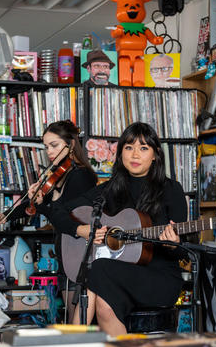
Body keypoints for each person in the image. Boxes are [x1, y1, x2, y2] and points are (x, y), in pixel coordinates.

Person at [51, 122, 187, 335]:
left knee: (98, 268)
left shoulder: (171, 190)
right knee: (104, 307)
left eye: (143, 148)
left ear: (155, 155)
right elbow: (57, 211)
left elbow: (185, 251)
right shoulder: (108, 190)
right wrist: (82, 230)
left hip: (159, 278)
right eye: (129, 147)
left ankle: (72, 342)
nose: (135, 155)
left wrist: (174, 245)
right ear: (121, 152)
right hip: (116, 273)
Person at [0, 120, 97, 270]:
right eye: (46, 147)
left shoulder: (81, 176)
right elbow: (32, 206)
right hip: (65, 247)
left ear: (71, 144)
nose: (49, 152)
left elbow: (64, 221)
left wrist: (42, 204)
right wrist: (5, 215)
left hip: (77, 250)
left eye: (54, 145)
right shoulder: (59, 175)